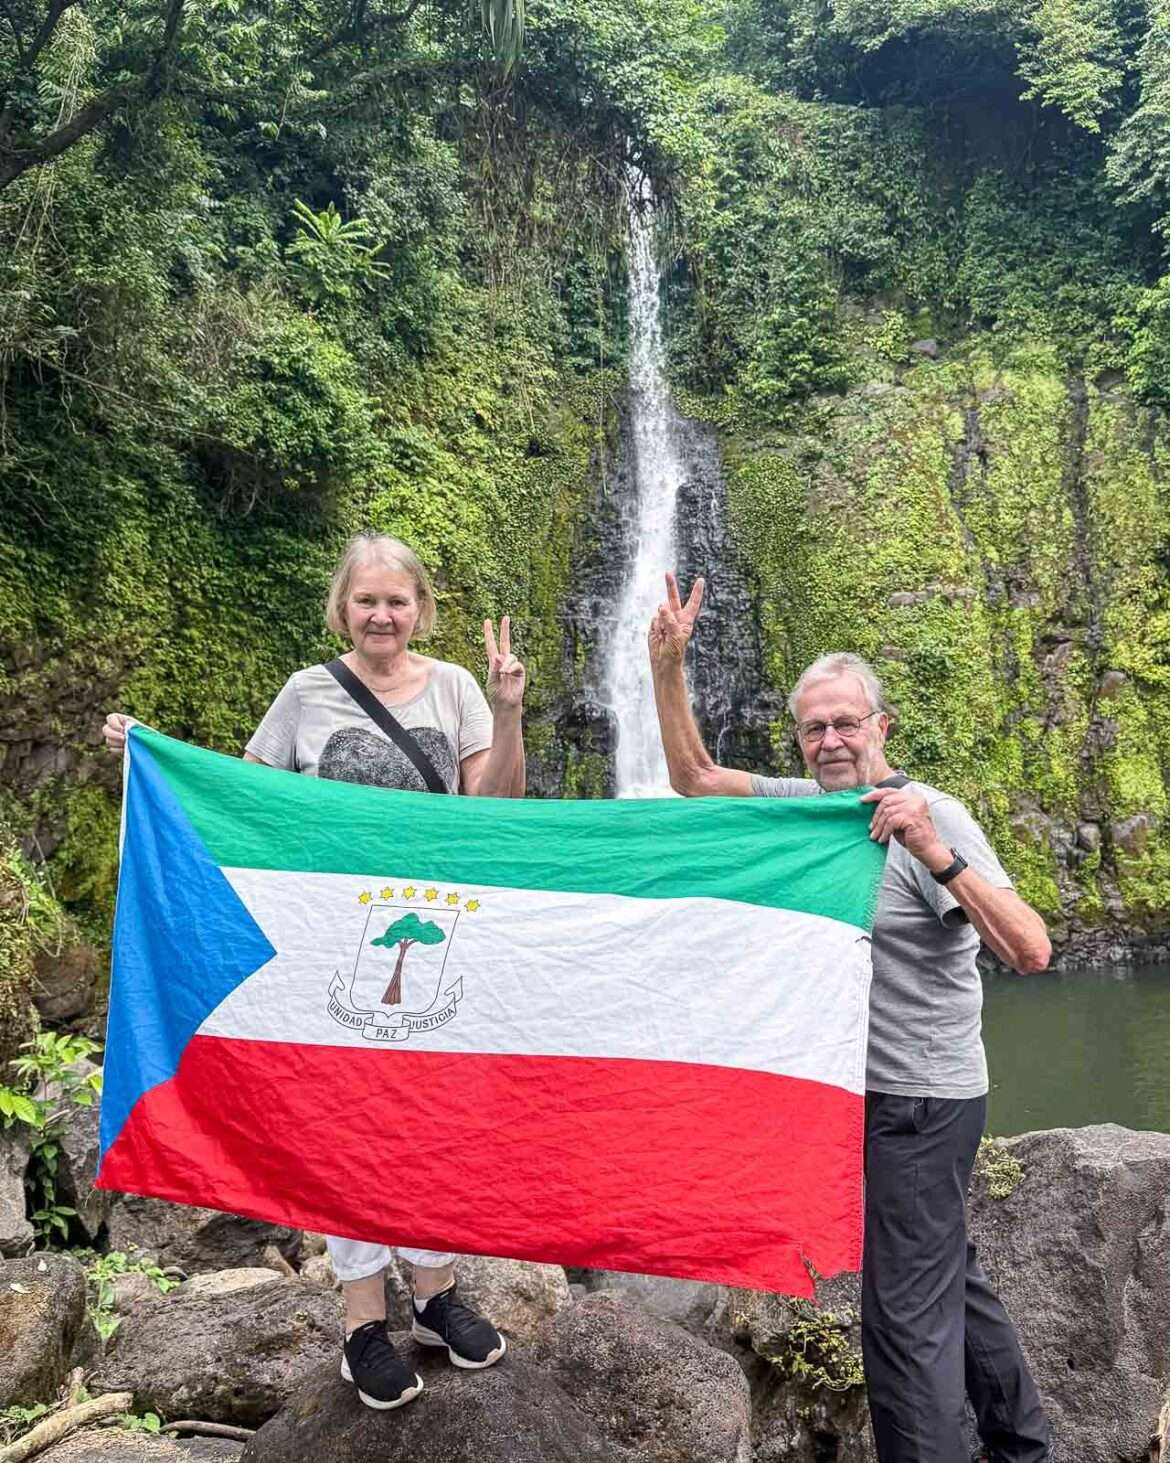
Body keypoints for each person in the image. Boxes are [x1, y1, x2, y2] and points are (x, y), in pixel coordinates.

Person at [103, 532, 525, 1413]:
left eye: (397, 601)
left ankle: (438, 1295)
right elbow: (244, 810)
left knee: (432, 1111)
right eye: (366, 600)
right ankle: (363, 1323)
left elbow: (500, 815)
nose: (382, 614)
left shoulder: (455, 690)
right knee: (347, 1116)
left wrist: (508, 707)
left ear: (420, 609)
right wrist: (154, 756)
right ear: (345, 607)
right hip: (330, 944)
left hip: (438, 930)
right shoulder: (305, 694)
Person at [647, 570, 1052, 1463]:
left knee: (902, 1329)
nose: (831, 740)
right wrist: (668, 668)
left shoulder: (932, 815)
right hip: (856, 1097)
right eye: (814, 727)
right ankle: (1024, 1447)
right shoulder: (820, 815)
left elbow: (1030, 949)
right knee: (952, 1279)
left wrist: (933, 849)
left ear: (882, 728)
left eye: (846, 722)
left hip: (924, 1102)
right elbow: (694, 778)